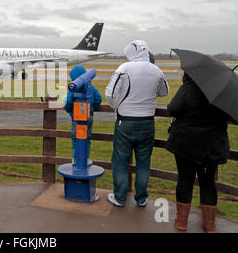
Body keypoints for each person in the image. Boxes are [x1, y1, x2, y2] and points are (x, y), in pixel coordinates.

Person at [105, 40, 169, 207]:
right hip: (147, 122)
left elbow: (110, 94)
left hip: (124, 122)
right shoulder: (156, 70)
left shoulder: (124, 68)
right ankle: (141, 198)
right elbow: (164, 92)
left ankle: (119, 198)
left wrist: (116, 106)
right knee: (143, 162)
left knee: (120, 161)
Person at [166, 71, 230, 233]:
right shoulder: (222, 92)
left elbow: (173, 108)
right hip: (212, 145)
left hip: (186, 142)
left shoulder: (189, 87)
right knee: (208, 183)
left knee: (185, 180)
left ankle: (181, 222)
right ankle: (210, 224)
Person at [64, 65, 102, 166]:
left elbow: (68, 102)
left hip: (76, 118)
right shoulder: (91, 87)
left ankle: (74, 159)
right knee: (87, 138)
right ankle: (87, 158)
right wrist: (93, 107)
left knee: (75, 138)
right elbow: (99, 99)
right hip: (89, 116)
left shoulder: (74, 88)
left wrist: (68, 110)